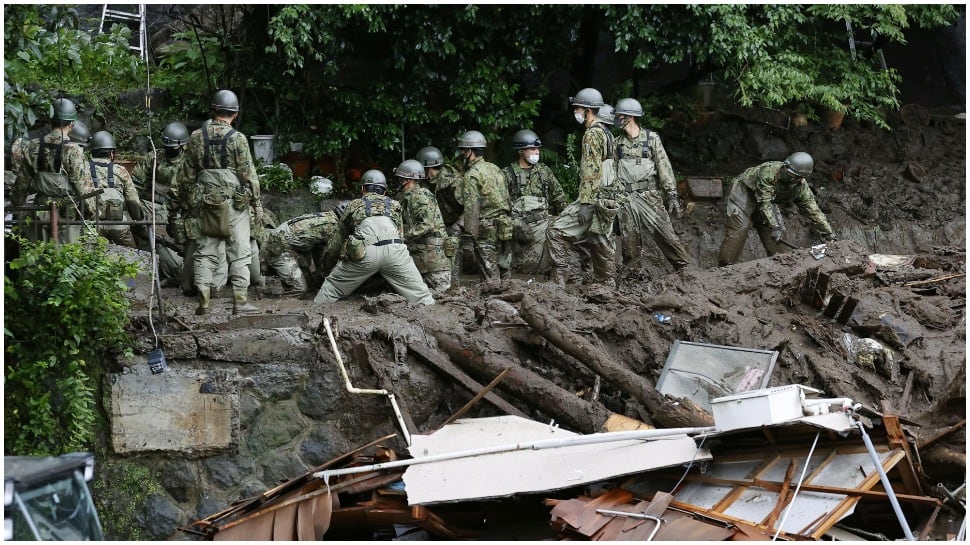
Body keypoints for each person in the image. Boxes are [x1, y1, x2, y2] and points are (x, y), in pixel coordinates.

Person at [175, 89, 264, 315]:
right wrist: (257, 204)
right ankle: (240, 302)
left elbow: (185, 176)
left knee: (205, 251)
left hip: (207, 202)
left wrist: (191, 201)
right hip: (235, 204)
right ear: (235, 114)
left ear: (213, 110)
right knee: (240, 251)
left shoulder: (195, 137)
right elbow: (248, 174)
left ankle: (204, 302)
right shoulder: (238, 139)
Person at [313, 170, 434, 305]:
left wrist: (326, 268)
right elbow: (400, 235)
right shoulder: (395, 205)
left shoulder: (354, 204)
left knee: (332, 288)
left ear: (363, 189)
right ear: (384, 192)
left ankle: (317, 313)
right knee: (422, 297)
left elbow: (336, 242)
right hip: (395, 251)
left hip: (364, 254)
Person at [545, 87, 619, 288]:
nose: (575, 112)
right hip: (607, 197)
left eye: (577, 108)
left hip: (593, 197)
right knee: (599, 240)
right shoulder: (607, 134)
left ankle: (559, 281)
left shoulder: (592, 135)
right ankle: (607, 286)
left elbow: (592, 171)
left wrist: (586, 203)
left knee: (556, 231)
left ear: (587, 110)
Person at [718, 151, 836, 266]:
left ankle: (782, 271)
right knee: (739, 231)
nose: (786, 173)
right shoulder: (769, 172)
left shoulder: (801, 188)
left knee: (779, 244)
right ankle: (724, 270)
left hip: (769, 200)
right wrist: (775, 226)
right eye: (786, 170)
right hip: (745, 192)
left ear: (799, 178)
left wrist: (829, 234)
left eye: (791, 175)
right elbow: (764, 202)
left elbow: (813, 211)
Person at [613, 97, 689, 271]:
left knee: (667, 235)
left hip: (649, 195)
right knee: (629, 243)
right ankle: (632, 277)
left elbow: (664, 166)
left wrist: (672, 194)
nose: (616, 119)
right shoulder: (617, 144)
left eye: (619, 115)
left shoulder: (651, 139)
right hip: (625, 199)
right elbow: (612, 172)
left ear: (629, 117)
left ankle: (685, 270)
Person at [13, 97, 94, 243]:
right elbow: (83, 189)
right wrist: (91, 212)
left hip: (39, 212)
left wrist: (16, 205)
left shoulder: (32, 146)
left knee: (40, 256)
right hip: (66, 216)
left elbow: (21, 185)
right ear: (72, 123)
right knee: (66, 258)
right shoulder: (73, 150)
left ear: (50, 121)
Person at [131, 122, 191, 284]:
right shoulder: (153, 158)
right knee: (139, 222)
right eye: (167, 146)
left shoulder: (190, 162)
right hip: (152, 208)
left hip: (179, 212)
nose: (169, 149)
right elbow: (134, 185)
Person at [502, 129, 566, 275]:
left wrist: (565, 219)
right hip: (521, 229)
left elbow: (559, 197)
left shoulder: (544, 171)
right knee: (525, 269)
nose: (536, 152)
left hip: (543, 225)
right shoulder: (507, 174)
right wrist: (515, 223)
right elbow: (501, 205)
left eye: (537, 148)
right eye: (532, 148)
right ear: (521, 151)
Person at [456, 130, 513, 287]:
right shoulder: (495, 168)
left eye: (463, 150)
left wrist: (468, 239)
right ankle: (512, 300)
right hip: (505, 226)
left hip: (486, 229)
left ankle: (497, 306)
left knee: (491, 279)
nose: (461, 154)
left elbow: (471, 209)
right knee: (506, 272)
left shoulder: (471, 175)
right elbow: (507, 198)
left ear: (469, 151)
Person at [394, 159, 451, 294]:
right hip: (419, 254)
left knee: (440, 293)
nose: (398, 181)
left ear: (407, 180)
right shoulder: (405, 197)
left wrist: (403, 236)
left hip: (433, 260)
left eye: (400, 178)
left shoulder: (421, 196)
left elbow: (426, 224)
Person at [261, 204, 344, 295]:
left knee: (311, 286)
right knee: (299, 289)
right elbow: (331, 257)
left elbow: (319, 250)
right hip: (279, 249)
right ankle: (266, 298)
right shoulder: (333, 227)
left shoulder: (326, 216)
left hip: (289, 245)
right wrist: (322, 274)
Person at [87, 130, 144, 247]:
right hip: (118, 224)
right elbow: (133, 201)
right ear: (111, 153)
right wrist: (138, 219)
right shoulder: (121, 171)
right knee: (133, 255)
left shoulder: (83, 168)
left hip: (91, 224)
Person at [417, 145, 463, 289]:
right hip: (437, 225)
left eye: (433, 169)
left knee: (451, 246)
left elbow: (471, 208)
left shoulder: (454, 182)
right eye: (424, 170)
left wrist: (457, 228)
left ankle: (453, 285)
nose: (428, 173)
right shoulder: (423, 183)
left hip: (457, 224)